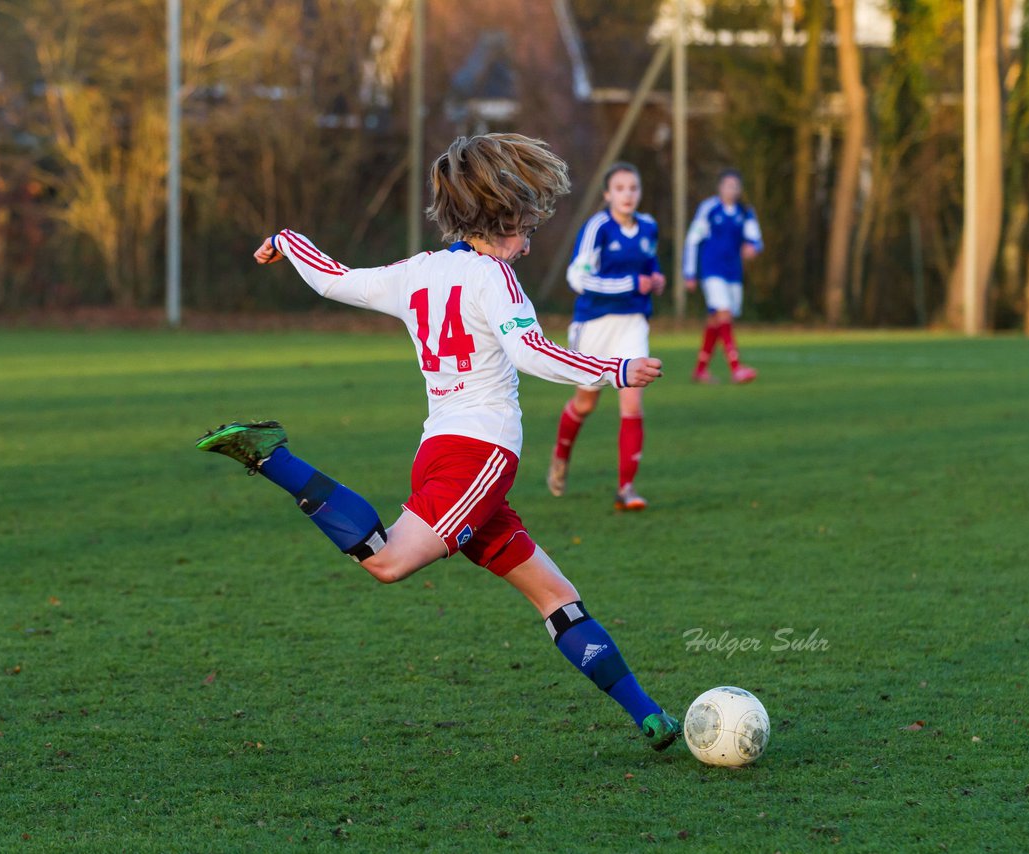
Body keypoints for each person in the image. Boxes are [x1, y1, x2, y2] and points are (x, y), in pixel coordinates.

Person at [196, 134, 681, 750]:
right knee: (388, 560)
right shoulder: (494, 280)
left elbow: (334, 281)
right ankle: (273, 456)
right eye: (526, 226)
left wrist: (288, 241)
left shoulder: (416, 272)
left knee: (557, 598)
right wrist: (614, 370)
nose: (529, 240)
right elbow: (530, 352)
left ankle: (650, 716)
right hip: (481, 457)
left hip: (443, 454)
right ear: (501, 220)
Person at [546, 162, 665, 510]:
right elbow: (578, 278)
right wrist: (631, 284)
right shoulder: (598, 227)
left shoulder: (649, 227)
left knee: (632, 401)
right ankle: (561, 456)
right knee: (586, 403)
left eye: (633, 188)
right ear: (607, 194)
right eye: (620, 188)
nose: (628, 194)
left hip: (632, 323)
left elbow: (649, 266)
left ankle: (626, 489)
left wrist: (655, 279)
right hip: (594, 325)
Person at [683, 169, 762, 384]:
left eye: (735, 186)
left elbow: (756, 239)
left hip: (733, 273)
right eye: (728, 185)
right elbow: (692, 239)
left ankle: (700, 370)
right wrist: (689, 272)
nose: (732, 189)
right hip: (712, 270)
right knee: (724, 313)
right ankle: (736, 368)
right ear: (720, 187)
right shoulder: (709, 209)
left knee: (716, 320)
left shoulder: (745, 211)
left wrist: (752, 247)